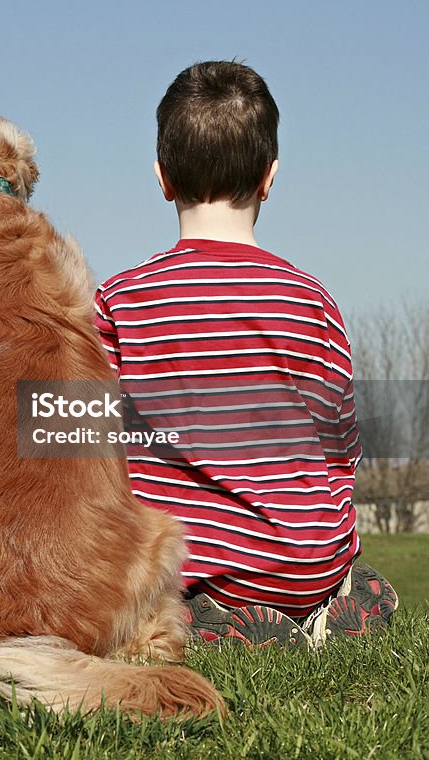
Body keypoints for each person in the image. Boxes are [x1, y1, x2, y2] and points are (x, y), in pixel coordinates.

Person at [94, 61, 397, 648]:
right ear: (269, 177)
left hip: (201, 573)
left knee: (149, 588)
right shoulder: (316, 302)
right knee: (368, 585)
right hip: (311, 565)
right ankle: (325, 610)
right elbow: (341, 457)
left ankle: (229, 624)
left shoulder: (119, 302)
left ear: (162, 177)